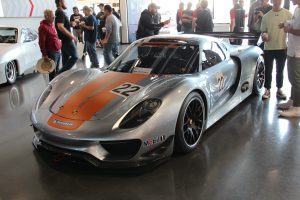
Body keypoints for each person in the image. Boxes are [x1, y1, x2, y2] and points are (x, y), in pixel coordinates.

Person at [260, 0, 292, 100]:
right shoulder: (266, 16)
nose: (277, 1)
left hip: (282, 47)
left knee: (280, 70)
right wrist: (264, 36)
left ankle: (279, 89)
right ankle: (267, 89)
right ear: (272, 1)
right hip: (269, 48)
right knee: (268, 70)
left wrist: (289, 46)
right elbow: (263, 32)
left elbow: (291, 32)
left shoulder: (288, 14)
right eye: (275, 0)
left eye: (279, 0)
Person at [278, 0, 300, 117]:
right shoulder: (297, 9)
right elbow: (295, 22)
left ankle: (297, 108)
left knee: (296, 80)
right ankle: (292, 101)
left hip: (298, 52)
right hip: (292, 49)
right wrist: (286, 23)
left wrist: (289, 30)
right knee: (292, 78)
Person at [55, 0, 78, 74]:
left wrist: (70, 24)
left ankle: (63, 76)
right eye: (65, 2)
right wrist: (71, 36)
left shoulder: (60, 12)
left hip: (63, 40)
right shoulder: (60, 12)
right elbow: (60, 26)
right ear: (61, 2)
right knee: (75, 57)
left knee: (65, 59)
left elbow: (62, 25)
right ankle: (59, 74)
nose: (66, 3)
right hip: (66, 40)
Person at [38, 9, 62, 81]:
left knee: (57, 71)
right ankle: (52, 88)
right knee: (52, 72)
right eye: (52, 16)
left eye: (54, 16)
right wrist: (45, 55)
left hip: (57, 50)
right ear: (47, 16)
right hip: (51, 52)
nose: (54, 18)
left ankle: (57, 87)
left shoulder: (51, 25)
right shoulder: (43, 27)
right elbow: (41, 42)